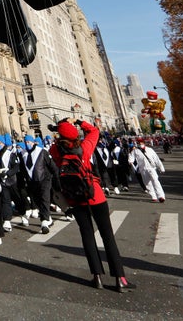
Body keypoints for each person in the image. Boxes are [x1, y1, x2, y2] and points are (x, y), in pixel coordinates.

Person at [51, 119, 135, 292]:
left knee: (87, 236)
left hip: (74, 198)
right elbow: (94, 131)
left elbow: (56, 144)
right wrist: (80, 122)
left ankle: (97, 277)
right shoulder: (85, 147)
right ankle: (120, 279)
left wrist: (59, 128)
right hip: (94, 195)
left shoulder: (56, 151)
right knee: (107, 236)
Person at [20, 134, 57, 233]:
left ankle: (44, 223)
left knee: (45, 199)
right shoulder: (22, 153)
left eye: (29, 142)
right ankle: (48, 218)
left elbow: (52, 165)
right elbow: (23, 168)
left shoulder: (42, 151)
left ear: (33, 143)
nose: (27, 144)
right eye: (26, 142)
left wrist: (56, 178)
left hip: (44, 179)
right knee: (38, 201)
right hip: (32, 182)